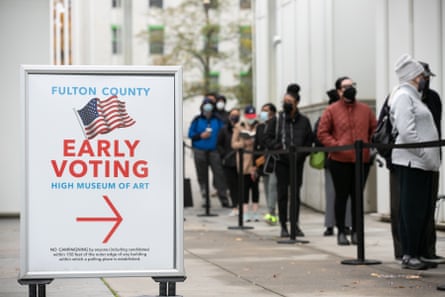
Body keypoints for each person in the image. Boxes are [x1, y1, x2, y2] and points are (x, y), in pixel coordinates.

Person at [389, 54, 440, 270]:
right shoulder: (403, 96)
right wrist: (425, 153)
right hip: (412, 163)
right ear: (412, 76)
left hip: (423, 164)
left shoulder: (414, 96)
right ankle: (409, 254)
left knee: (422, 209)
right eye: (421, 75)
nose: (424, 78)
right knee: (411, 210)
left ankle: (419, 251)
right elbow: (407, 133)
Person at [317, 77, 377, 246]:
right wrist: (337, 146)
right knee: (341, 196)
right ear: (338, 91)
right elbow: (322, 133)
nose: (349, 89)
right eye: (345, 87)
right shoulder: (331, 110)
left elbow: (375, 129)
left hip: (362, 160)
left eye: (352, 85)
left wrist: (369, 146)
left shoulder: (365, 110)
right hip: (339, 160)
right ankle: (341, 231)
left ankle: (357, 232)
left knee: (357, 197)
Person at [265, 84, 313, 237]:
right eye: (284, 101)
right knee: (282, 194)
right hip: (281, 162)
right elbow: (267, 138)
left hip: (297, 163)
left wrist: (301, 155)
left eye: (289, 101)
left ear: (296, 103)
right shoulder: (277, 120)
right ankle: (283, 225)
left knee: (295, 195)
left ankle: (295, 224)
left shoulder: (304, 121)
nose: (286, 104)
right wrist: (278, 147)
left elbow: (308, 140)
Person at [314, 89, 352, 236]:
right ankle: (332, 224)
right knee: (333, 195)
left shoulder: (347, 115)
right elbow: (318, 135)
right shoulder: (326, 115)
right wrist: (334, 144)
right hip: (332, 159)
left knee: (342, 195)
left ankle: (344, 224)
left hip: (345, 158)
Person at [188, 97, 230, 208]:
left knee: (219, 175)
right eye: (205, 104)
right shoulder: (197, 120)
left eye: (210, 104)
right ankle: (205, 199)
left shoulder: (217, 120)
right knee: (202, 175)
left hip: (214, 151)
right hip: (200, 151)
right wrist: (200, 135)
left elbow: (224, 133)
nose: (207, 107)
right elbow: (190, 134)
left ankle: (223, 198)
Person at [232, 105, 261, 222]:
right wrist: (244, 143)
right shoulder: (239, 127)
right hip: (244, 161)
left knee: (255, 188)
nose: (251, 118)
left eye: (252, 116)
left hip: (256, 161)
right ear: (245, 116)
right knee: (244, 188)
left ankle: (255, 212)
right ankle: (245, 213)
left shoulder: (259, 126)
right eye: (249, 116)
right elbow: (233, 144)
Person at [254, 103, 278, 225]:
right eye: (262, 110)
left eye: (266, 111)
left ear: (273, 112)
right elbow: (256, 146)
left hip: (274, 160)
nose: (263, 113)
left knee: (273, 186)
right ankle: (271, 210)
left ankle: (272, 213)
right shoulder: (260, 127)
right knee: (267, 186)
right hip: (263, 161)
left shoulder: (277, 124)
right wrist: (255, 164)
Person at [217, 108, 241, 216]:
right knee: (232, 185)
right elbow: (219, 144)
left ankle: (242, 206)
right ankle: (235, 205)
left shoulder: (242, 129)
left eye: (237, 115)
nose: (234, 117)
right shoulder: (224, 129)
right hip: (228, 161)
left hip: (240, 161)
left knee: (241, 185)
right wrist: (224, 155)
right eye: (232, 115)